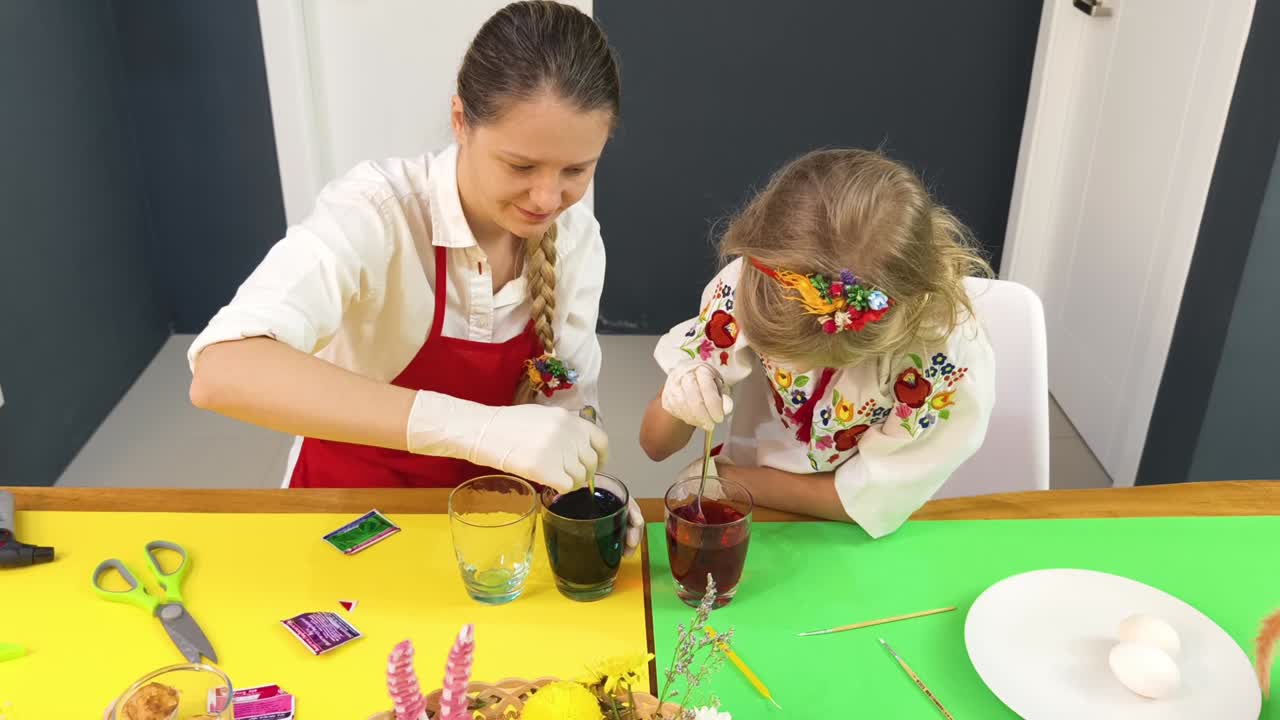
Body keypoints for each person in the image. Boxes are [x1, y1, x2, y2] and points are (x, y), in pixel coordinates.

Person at [188, 1, 641, 548]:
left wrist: (579, 481)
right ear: (459, 121)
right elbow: (221, 370)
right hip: (349, 512)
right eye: (520, 166)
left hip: (490, 529)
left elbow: (565, 399)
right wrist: (475, 429)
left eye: (576, 170)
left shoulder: (577, 241)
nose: (548, 198)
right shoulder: (377, 212)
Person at [640, 149, 996, 538]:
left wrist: (727, 479)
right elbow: (655, 445)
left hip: (850, 520)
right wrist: (681, 394)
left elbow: (866, 498)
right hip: (756, 491)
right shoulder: (752, 284)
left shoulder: (940, 357)